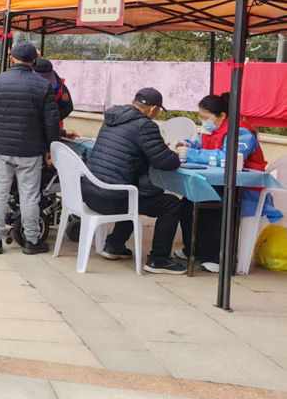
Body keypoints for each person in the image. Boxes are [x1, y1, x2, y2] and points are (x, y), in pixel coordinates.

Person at [82, 88, 186, 274]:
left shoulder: (112, 118)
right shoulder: (145, 126)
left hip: (90, 192)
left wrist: (156, 149)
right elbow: (165, 162)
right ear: (153, 109)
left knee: (135, 192)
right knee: (171, 204)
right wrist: (174, 154)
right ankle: (159, 260)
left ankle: (114, 245)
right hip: (111, 198)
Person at [0, 41, 61, 255]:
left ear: (12, 58)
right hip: (31, 151)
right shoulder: (43, 85)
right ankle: (32, 241)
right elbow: (51, 122)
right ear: (34, 60)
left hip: (1, 148)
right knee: (30, 196)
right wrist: (51, 148)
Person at [175, 93, 270, 271]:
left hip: (243, 188)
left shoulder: (241, 132)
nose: (203, 122)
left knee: (215, 205)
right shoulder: (213, 129)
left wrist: (192, 154)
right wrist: (187, 145)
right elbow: (202, 146)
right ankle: (194, 250)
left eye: (206, 118)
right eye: (201, 118)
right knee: (187, 202)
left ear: (222, 116)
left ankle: (215, 257)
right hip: (218, 182)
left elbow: (227, 157)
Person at [34, 58, 78, 138]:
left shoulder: (61, 86)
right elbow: (67, 107)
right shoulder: (59, 84)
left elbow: (67, 107)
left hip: (50, 128)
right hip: (51, 128)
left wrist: (52, 120)